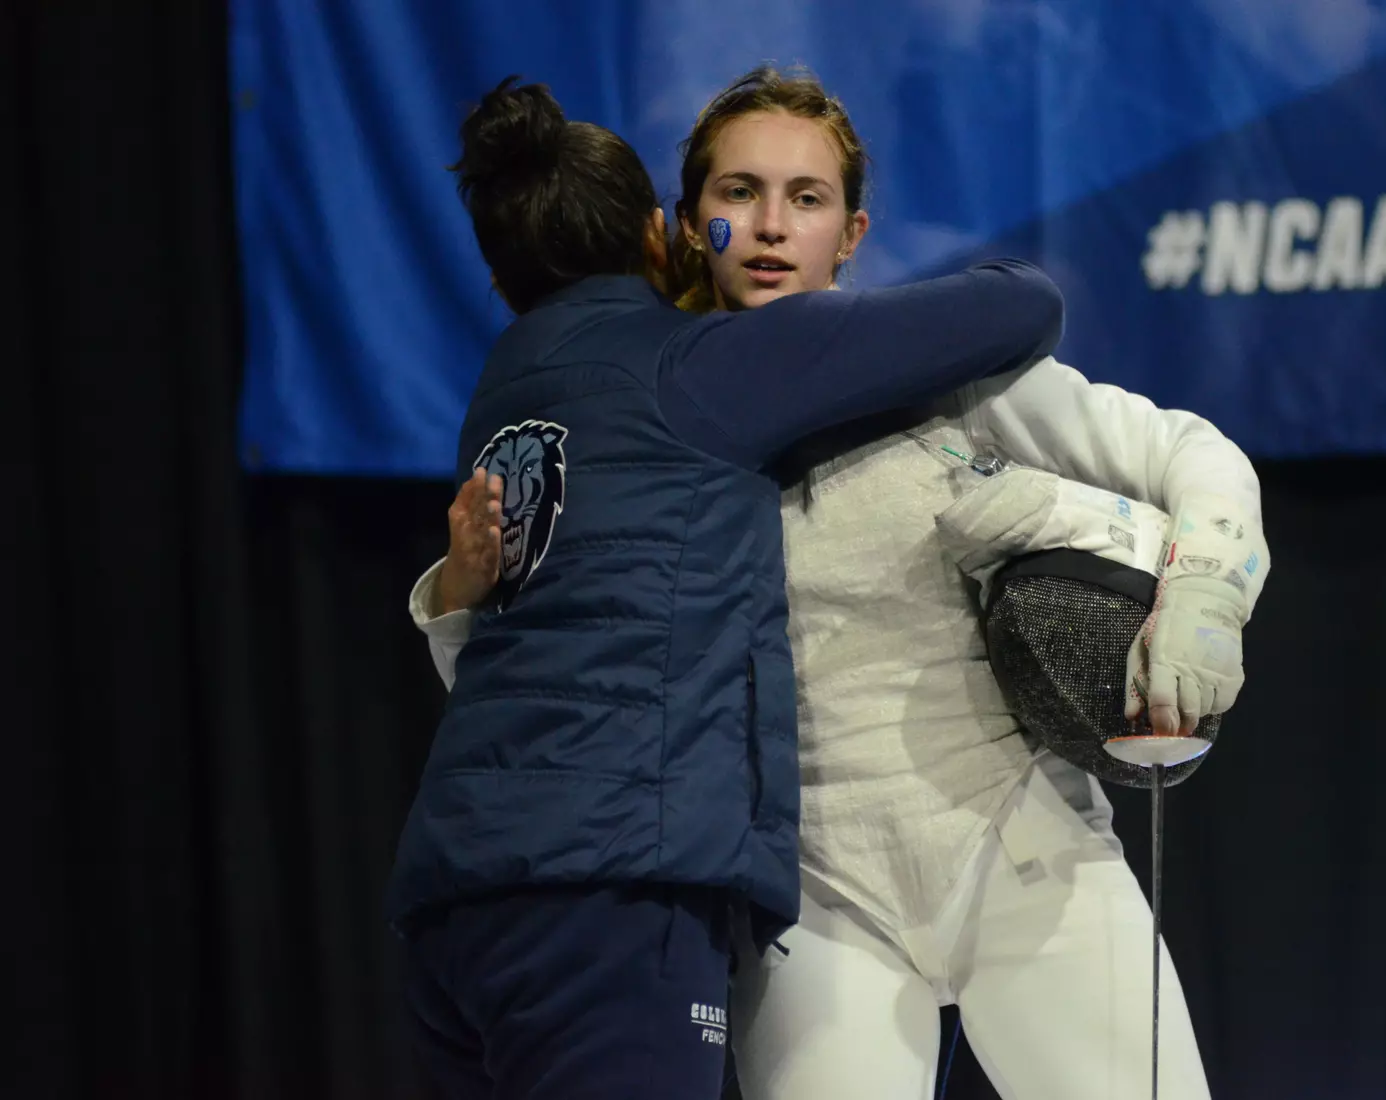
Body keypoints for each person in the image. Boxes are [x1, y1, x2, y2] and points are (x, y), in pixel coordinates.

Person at [413, 68, 1269, 1099]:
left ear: (851, 232)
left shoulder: (941, 367)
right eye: (737, 194)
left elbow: (1192, 454)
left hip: (1022, 851)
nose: (771, 226)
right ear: (681, 227)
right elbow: (550, 670)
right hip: (812, 904)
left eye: (806, 199)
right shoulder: (646, 403)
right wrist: (458, 598)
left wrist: (1205, 596)